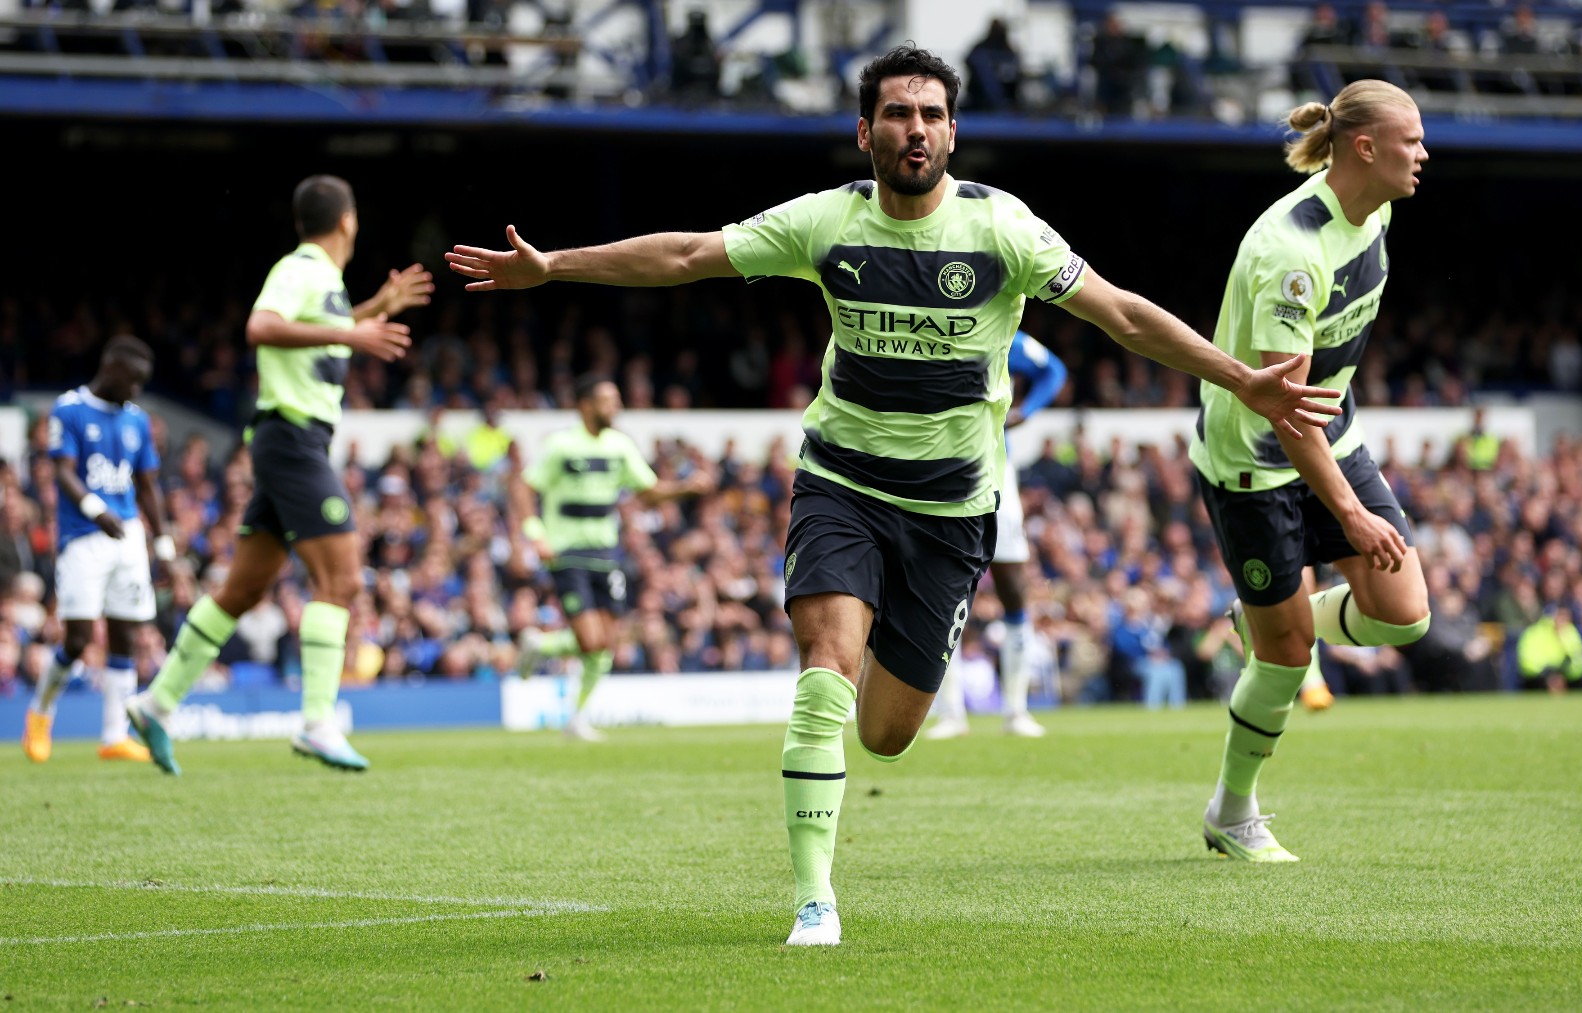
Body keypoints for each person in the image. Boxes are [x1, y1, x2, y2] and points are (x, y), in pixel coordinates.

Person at [446, 45, 1341, 946]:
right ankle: (813, 898)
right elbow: (687, 254)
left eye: (930, 115)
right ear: (865, 129)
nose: (914, 129)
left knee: (885, 733)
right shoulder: (825, 222)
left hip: (953, 512)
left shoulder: (1004, 230)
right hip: (843, 482)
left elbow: (1121, 313)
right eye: (898, 113)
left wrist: (1241, 379)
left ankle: (868, 703)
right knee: (824, 673)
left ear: (952, 132)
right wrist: (553, 265)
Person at [1190, 80, 1432, 863]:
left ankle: (1257, 618)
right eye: (1413, 140)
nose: (1424, 154)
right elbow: (1281, 412)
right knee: (1289, 659)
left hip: (1335, 432)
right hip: (1254, 462)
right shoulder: (1290, 253)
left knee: (1404, 611)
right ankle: (1233, 809)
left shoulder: (1377, 210)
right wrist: (1353, 516)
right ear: (1366, 148)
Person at [126, 175, 429, 776]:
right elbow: (262, 327)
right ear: (347, 220)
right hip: (292, 439)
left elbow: (308, 341)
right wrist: (351, 328)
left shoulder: (328, 284)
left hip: (287, 441)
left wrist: (371, 310)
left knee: (242, 590)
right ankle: (318, 722)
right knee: (341, 580)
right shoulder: (303, 269)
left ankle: (155, 704)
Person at [513, 376, 713, 741]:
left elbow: (648, 493)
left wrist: (684, 488)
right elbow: (524, 487)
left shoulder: (620, 446)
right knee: (591, 641)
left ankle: (571, 707)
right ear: (585, 405)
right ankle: (542, 648)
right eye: (608, 400)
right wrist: (534, 534)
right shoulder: (561, 445)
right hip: (567, 553)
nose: (615, 406)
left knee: (606, 643)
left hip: (606, 554)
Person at [21, 337, 171, 764]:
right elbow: (61, 472)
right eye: (135, 381)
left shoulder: (137, 420)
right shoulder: (69, 409)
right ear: (113, 368)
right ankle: (40, 714)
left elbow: (147, 485)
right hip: (83, 537)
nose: (137, 390)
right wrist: (94, 508)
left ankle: (113, 736)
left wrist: (163, 542)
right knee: (79, 638)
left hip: (127, 538)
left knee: (126, 634)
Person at [927, 329, 1068, 738]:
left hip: (995, 467)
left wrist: (1027, 410)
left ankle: (1016, 711)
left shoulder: (1006, 333)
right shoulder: (932, 324)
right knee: (942, 588)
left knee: (1011, 584)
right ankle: (951, 712)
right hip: (940, 467)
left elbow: (1053, 370)